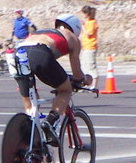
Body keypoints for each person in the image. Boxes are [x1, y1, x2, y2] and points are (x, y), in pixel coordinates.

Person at [14, 14, 92, 147]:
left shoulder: (44, 32)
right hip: (40, 53)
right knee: (65, 90)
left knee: (32, 105)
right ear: (76, 29)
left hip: (20, 53)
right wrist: (85, 79)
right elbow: (77, 73)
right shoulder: (72, 37)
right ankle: (50, 122)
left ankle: (30, 137)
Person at [81, 5, 99, 89]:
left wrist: (83, 27)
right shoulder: (88, 23)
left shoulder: (92, 23)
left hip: (90, 47)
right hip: (86, 47)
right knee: (85, 66)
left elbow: (89, 34)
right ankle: (87, 83)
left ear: (88, 14)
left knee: (91, 65)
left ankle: (94, 84)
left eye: (84, 13)